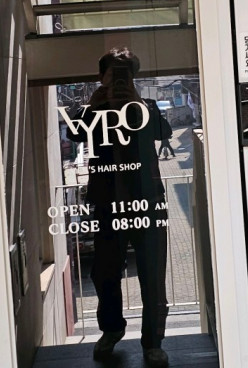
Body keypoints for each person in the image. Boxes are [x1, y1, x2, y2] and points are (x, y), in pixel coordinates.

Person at [66, 47, 171, 368]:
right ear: (102, 77)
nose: (121, 82)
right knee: (104, 273)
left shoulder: (145, 106)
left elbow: (164, 132)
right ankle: (112, 330)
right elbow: (73, 133)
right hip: (107, 206)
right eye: (115, 75)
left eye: (127, 76)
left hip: (148, 204)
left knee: (152, 276)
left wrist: (136, 102)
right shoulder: (93, 108)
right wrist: (95, 105)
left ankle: (153, 343)